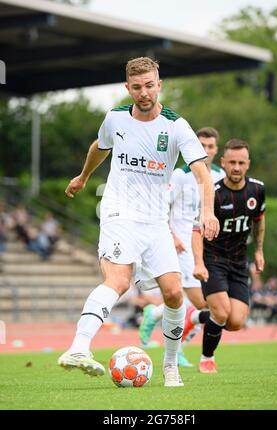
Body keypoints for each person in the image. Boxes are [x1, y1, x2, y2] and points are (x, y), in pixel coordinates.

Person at [57, 57, 219, 387]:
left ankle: (170, 365)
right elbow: (99, 147)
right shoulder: (115, 118)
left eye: (149, 85)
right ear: (127, 88)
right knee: (118, 280)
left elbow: (201, 171)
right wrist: (84, 176)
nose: (143, 93)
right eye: (136, 87)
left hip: (155, 222)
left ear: (159, 85)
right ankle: (78, 348)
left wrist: (208, 211)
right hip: (119, 213)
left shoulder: (176, 126)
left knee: (174, 294)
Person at [138, 127, 225, 366]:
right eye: (202, 146)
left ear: (216, 150)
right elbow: (160, 208)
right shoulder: (179, 175)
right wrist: (172, 235)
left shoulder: (219, 176)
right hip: (184, 248)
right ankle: (178, 348)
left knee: (213, 308)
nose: (206, 151)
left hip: (212, 250)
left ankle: (155, 314)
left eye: (210, 146)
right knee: (205, 305)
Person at [192, 138, 266, 373]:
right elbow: (196, 230)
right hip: (213, 260)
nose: (236, 167)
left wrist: (259, 251)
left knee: (235, 322)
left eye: (241, 163)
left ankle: (195, 317)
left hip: (238, 262)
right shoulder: (213, 193)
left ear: (248, 164)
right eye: (232, 162)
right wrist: (198, 263)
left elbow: (259, 221)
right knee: (222, 313)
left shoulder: (257, 189)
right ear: (222, 163)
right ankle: (206, 358)